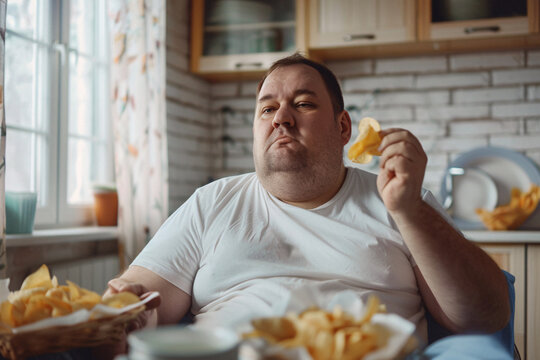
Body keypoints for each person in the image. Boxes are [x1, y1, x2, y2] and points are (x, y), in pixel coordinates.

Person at [104, 53, 511, 358]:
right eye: (267, 108)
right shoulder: (211, 203)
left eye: (303, 103)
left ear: (343, 127)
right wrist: (128, 311)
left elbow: (485, 314)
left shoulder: (403, 202)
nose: (281, 117)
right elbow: (142, 301)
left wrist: (409, 212)